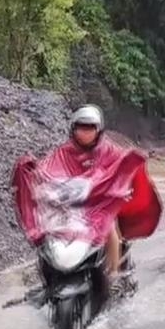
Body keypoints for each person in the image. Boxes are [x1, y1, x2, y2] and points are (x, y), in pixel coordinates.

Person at [67, 105, 125, 281]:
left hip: (101, 202)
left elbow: (121, 169)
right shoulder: (67, 151)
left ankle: (114, 272)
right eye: (81, 127)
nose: (85, 132)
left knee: (109, 227)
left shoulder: (108, 150)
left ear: (98, 130)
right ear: (73, 128)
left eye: (90, 128)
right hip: (75, 202)